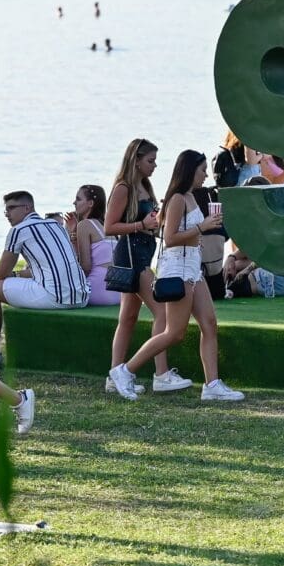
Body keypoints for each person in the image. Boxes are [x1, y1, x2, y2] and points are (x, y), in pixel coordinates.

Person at [108, 151, 244, 402]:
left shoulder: (191, 196)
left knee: (210, 324)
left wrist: (201, 233)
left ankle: (212, 384)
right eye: (202, 170)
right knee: (174, 333)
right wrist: (202, 227)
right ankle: (124, 371)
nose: (206, 175)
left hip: (193, 267)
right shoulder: (178, 199)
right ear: (190, 170)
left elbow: (187, 234)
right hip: (177, 268)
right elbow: (169, 239)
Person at [104, 139, 186, 396]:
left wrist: (157, 222)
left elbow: (148, 222)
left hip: (143, 253)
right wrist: (142, 224)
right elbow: (109, 227)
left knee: (128, 318)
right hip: (132, 257)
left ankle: (114, 375)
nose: (154, 166)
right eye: (150, 161)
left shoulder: (145, 186)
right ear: (136, 160)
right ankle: (160, 374)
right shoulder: (123, 188)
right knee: (161, 311)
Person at [0, 191, 92, 368]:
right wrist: (17, 275)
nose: (7, 214)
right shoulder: (56, 225)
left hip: (55, 297)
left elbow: (0, 274)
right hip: (82, 296)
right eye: (5, 211)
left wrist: (12, 274)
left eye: (11, 208)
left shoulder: (18, 230)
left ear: (27, 208)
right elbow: (46, 268)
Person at [68, 184, 119, 307]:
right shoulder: (110, 226)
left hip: (98, 291)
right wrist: (74, 234)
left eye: (78, 199)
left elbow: (86, 267)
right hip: (118, 292)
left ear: (90, 203)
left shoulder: (84, 224)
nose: (74, 202)